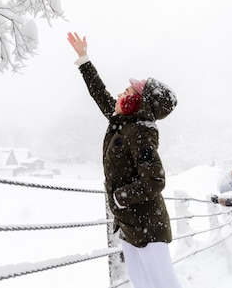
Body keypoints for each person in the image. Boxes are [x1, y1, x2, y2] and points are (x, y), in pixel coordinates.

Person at [67, 32, 182, 288]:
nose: (120, 93)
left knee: (164, 286)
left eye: (127, 91)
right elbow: (99, 93)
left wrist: (120, 198)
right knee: (142, 285)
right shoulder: (123, 122)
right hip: (131, 224)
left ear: (136, 102)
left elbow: (154, 180)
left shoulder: (141, 131)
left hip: (148, 226)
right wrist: (83, 58)